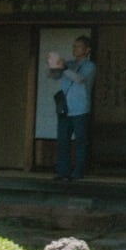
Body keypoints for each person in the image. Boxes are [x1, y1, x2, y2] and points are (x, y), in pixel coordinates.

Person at [48, 37, 96, 183]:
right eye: (74, 46)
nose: (75, 49)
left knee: (80, 141)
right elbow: (53, 76)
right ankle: (62, 172)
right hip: (65, 108)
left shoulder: (90, 66)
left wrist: (64, 68)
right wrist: (52, 65)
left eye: (78, 46)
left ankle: (78, 171)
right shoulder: (68, 64)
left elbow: (79, 79)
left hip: (80, 109)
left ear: (87, 50)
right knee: (62, 141)